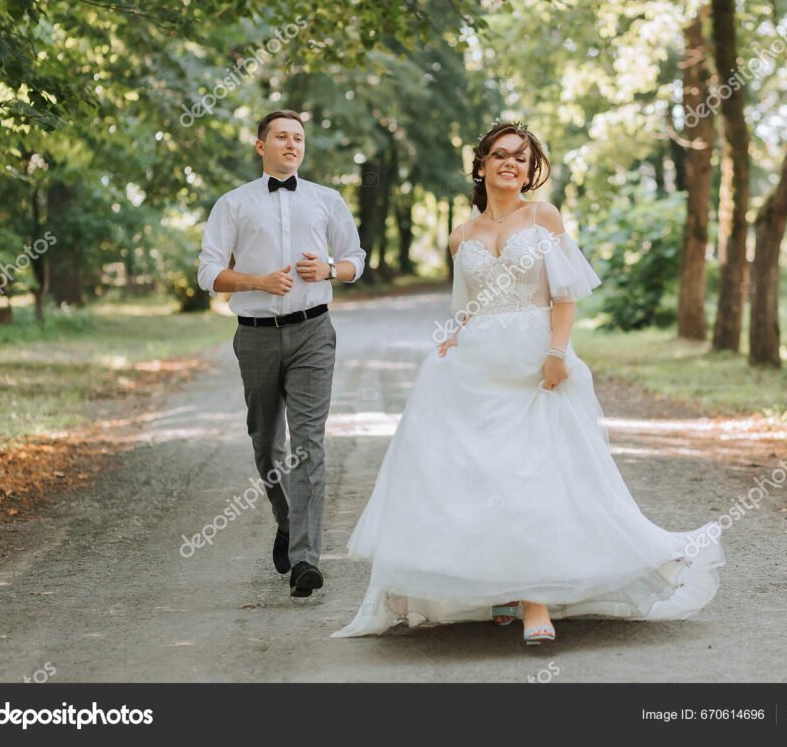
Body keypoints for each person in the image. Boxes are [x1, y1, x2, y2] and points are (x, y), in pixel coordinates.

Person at [331, 121, 724, 644]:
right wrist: (452, 339)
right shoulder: (460, 236)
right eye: (500, 155)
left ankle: (537, 601)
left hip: (536, 360)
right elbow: (466, 306)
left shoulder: (544, 217)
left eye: (520, 157)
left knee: (532, 477)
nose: (510, 163)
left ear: (529, 168)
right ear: (482, 165)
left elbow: (565, 295)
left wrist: (556, 354)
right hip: (478, 366)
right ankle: (499, 590)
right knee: (482, 477)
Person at [197, 109, 366, 598]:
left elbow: (358, 259)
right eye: (282, 137)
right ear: (260, 146)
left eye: (298, 139)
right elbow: (208, 273)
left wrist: (331, 270)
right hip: (255, 334)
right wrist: (257, 280)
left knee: (308, 444)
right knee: (265, 442)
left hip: (314, 331)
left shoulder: (326, 200)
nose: (292, 145)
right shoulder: (232, 204)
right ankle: (288, 522)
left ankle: (306, 560)